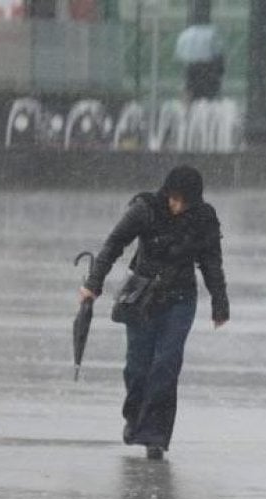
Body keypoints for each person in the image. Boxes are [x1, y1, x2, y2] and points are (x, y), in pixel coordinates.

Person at [78, 166, 229, 461]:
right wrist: (93, 284)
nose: (177, 206)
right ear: (166, 193)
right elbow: (114, 244)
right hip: (141, 297)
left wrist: (220, 303)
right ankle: (135, 417)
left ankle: (155, 436)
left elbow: (211, 263)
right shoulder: (145, 209)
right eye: (173, 199)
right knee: (137, 367)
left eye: (184, 201)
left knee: (166, 365)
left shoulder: (203, 218)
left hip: (181, 299)